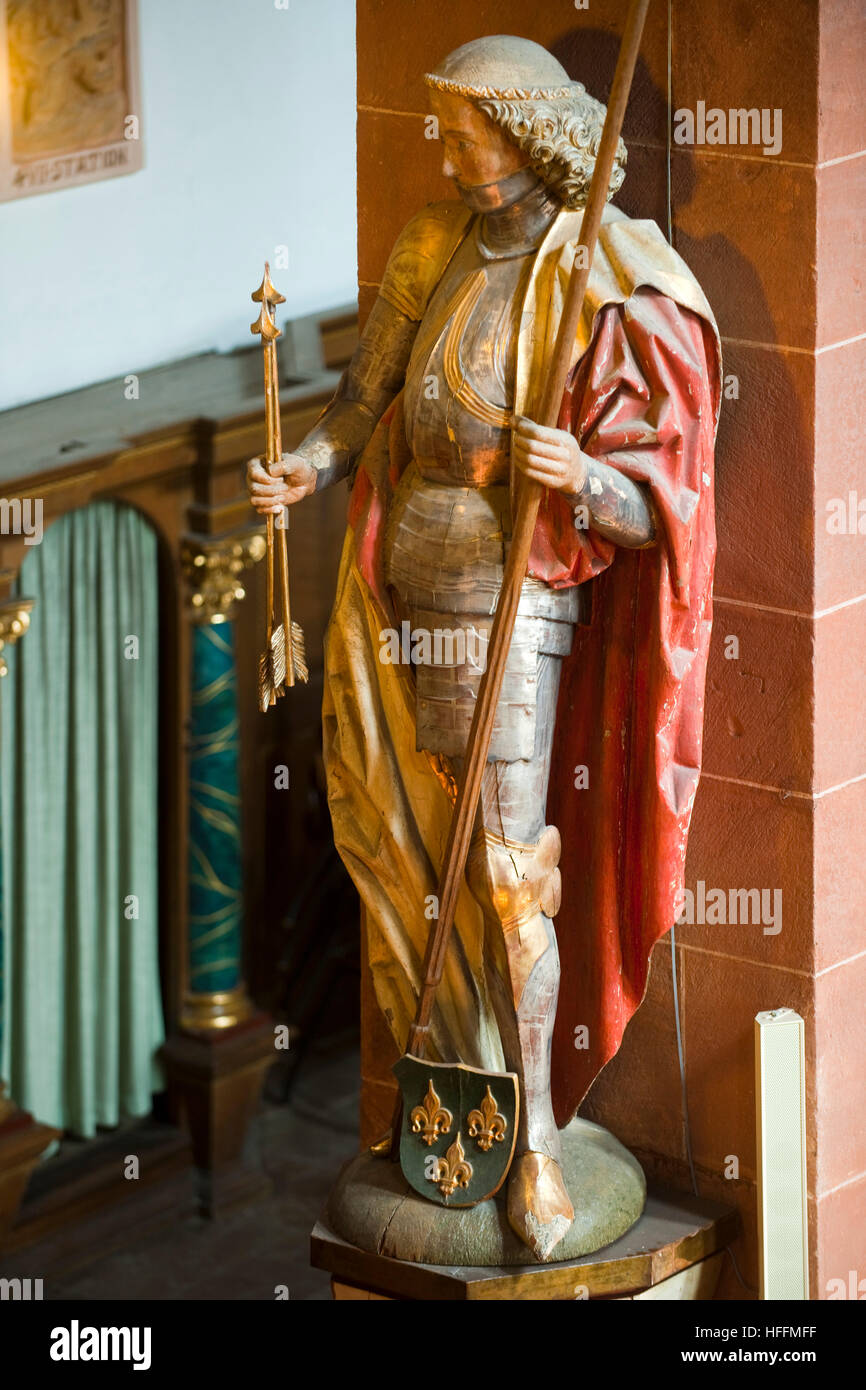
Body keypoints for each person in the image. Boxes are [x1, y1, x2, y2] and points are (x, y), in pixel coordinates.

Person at [248, 35, 720, 1260]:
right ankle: (450, 1102)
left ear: (529, 137)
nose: (447, 153)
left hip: (515, 601)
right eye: (444, 132)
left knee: (508, 874)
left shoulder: (601, 276)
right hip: (396, 584)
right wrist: (301, 467)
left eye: (466, 133)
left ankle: (538, 1146)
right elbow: (365, 405)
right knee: (411, 849)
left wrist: (583, 478)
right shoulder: (425, 246)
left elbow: (658, 500)